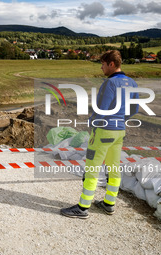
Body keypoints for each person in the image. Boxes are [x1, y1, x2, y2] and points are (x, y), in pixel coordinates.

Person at [60, 50, 139, 219]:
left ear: (111, 64)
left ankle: (82, 207)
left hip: (103, 130)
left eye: (103, 64)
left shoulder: (109, 83)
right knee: (114, 167)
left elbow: (101, 109)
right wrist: (120, 119)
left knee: (92, 168)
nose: (102, 68)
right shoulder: (132, 83)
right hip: (119, 131)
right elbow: (135, 109)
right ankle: (109, 204)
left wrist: (92, 122)